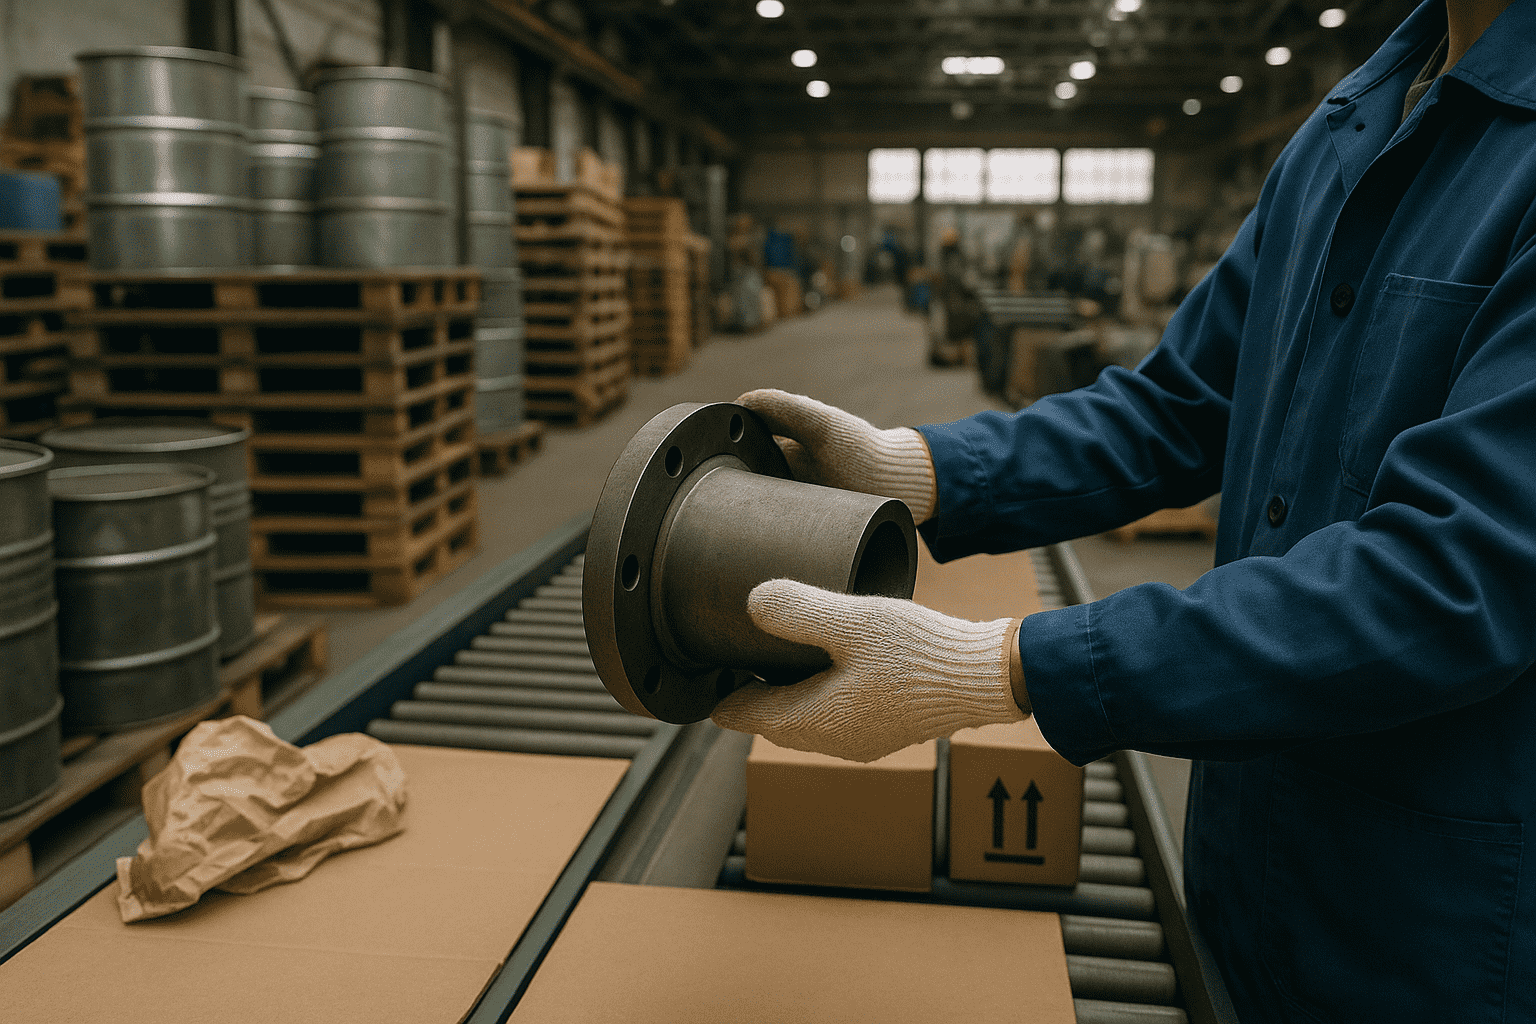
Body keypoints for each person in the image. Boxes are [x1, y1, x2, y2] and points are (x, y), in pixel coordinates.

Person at [710, 1, 1536, 1020]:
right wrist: (917, 469)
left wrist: (1003, 666)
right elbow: (1178, 404)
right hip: (1244, 867)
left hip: (1424, 928)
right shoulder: (1350, 123)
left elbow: (1459, 573)